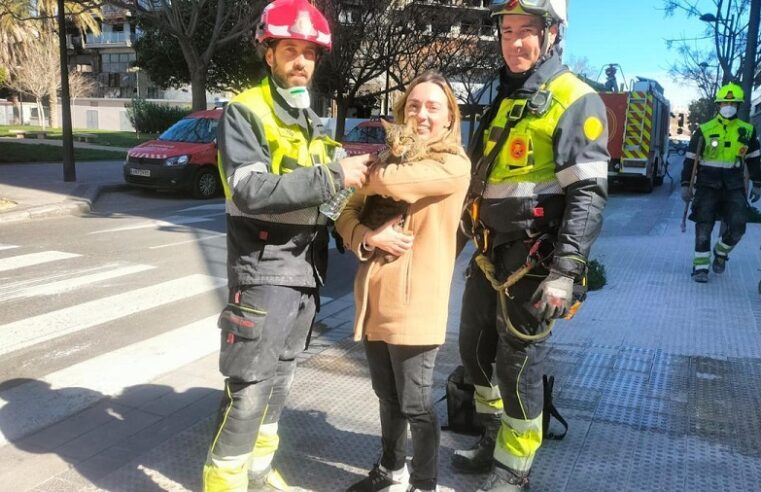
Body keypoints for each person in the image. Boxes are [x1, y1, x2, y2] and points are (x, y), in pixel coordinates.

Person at [201, 1, 374, 490]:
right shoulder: (245, 111)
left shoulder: (312, 120)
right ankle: (225, 482)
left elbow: (332, 197)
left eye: (309, 54)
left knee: (279, 380)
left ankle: (257, 473)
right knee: (251, 386)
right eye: (291, 51)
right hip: (263, 268)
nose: (301, 62)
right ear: (269, 54)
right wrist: (334, 174)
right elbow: (250, 190)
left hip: (304, 270)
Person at [452, 1, 609, 490]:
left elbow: (588, 193)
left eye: (527, 31)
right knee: (473, 348)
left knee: (517, 363)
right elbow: (479, 182)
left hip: (535, 260)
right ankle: (492, 434)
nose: (515, 41)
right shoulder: (506, 93)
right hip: (488, 250)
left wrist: (565, 272)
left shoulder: (574, 97)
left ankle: (512, 467)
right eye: (507, 31)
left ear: (550, 36)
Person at [335, 72, 471, 492]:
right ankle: (391, 469)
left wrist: (355, 171)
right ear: (401, 113)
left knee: (416, 404)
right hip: (374, 301)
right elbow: (344, 210)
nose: (422, 114)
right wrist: (366, 235)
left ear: (450, 117)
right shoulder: (388, 157)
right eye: (413, 106)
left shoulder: (452, 165)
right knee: (387, 396)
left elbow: (393, 182)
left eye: (433, 107)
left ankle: (424, 483)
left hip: (417, 305)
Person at [680, 82, 761, 283]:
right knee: (703, 226)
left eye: (733, 102)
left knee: (738, 226)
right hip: (707, 184)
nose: (729, 105)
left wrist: (758, 183)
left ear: (739, 105)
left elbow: (754, 160)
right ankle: (700, 268)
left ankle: (721, 252)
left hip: (734, 185)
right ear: (718, 104)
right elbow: (691, 160)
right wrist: (684, 184)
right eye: (725, 101)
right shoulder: (704, 130)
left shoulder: (748, 132)